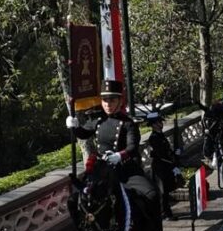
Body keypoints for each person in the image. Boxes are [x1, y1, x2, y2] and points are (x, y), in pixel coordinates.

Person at [65, 81, 158, 210]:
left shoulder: (128, 123)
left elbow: (132, 146)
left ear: (120, 101)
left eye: (112, 100)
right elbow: (83, 134)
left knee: (151, 194)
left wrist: (119, 156)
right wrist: (74, 126)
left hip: (125, 169)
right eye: (104, 100)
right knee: (78, 199)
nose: (108, 104)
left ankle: (154, 229)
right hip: (102, 170)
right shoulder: (98, 121)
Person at [142, 110, 183, 223]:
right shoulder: (154, 138)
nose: (161, 123)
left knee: (166, 191)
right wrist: (173, 159)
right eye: (159, 122)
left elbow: (166, 151)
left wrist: (174, 153)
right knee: (163, 192)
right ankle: (165, 214)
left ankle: (166, 212)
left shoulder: (160, 135)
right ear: (154, 124)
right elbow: (160, 155)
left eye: (160, 121)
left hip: (165, 167)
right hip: (160, 168)